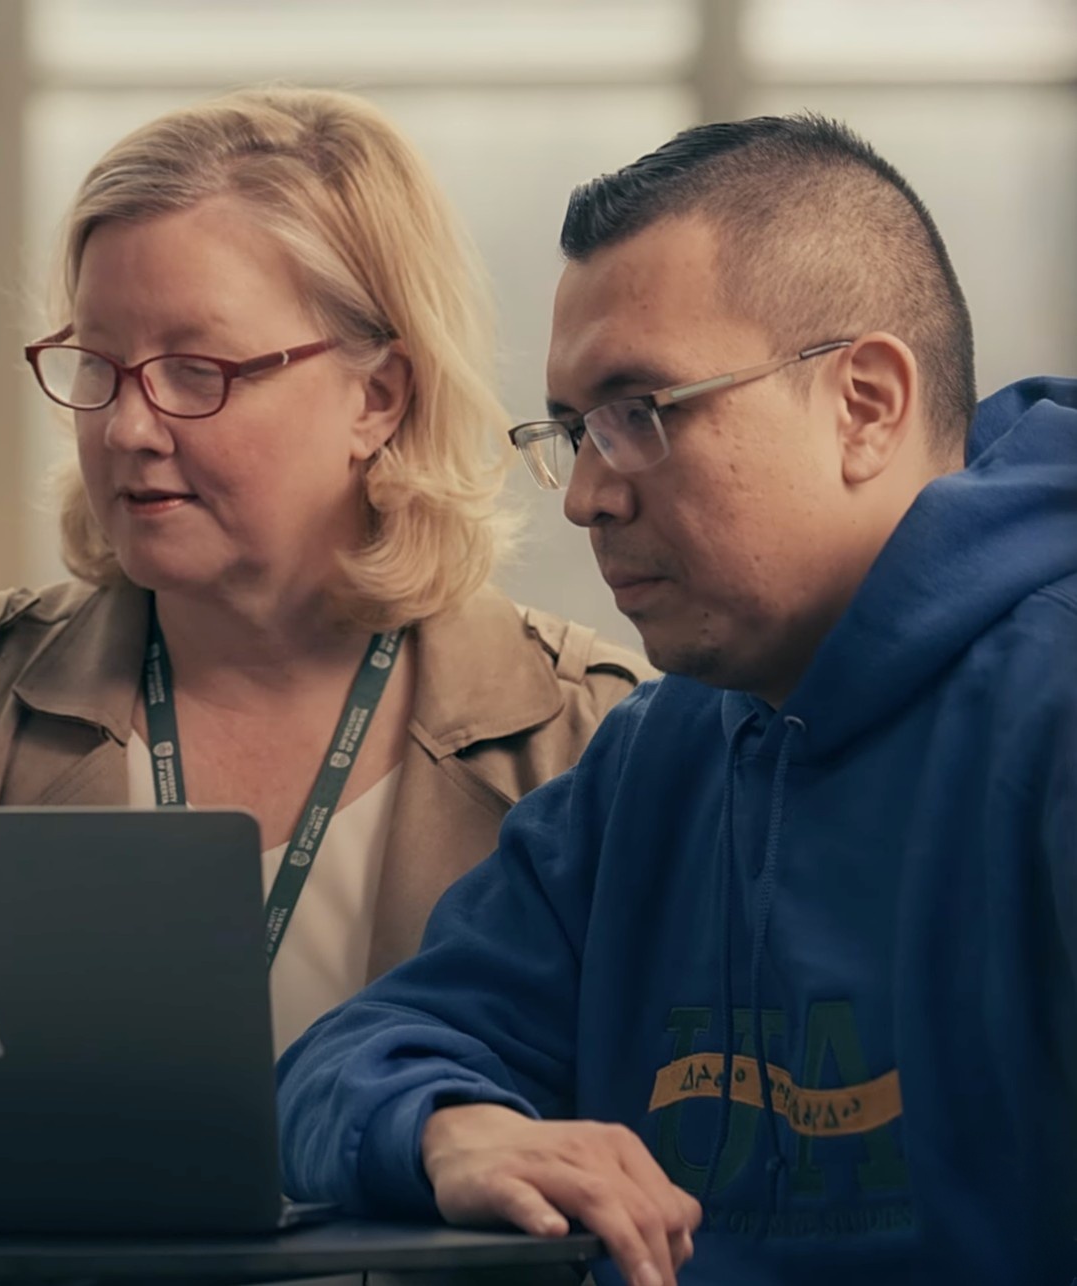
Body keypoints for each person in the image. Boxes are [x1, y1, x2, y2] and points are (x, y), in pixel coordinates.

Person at [275, 114, 1077, 1286]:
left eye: (638, 411)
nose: (585, 495)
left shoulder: (1047, 713)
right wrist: (451, 1125)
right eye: (570, 429)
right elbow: (346, 1059)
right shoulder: (657, 752)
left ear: (862, 403)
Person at [0, 88, 649, 1044]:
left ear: (378, 398)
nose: (128, 428)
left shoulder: (590, 737)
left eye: (198, 371)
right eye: (97, 363)